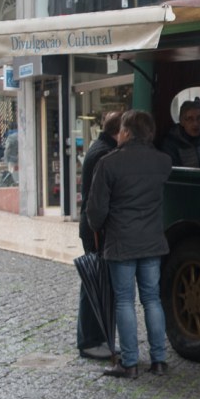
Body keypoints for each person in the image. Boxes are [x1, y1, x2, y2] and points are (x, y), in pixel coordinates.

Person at [87, 110, 173, 378]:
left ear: (125, 132)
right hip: (152, 241)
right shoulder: (163, 162)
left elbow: (96, 210)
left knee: (125, 301)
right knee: (152, 299)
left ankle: (130, 363)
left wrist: (96, 228)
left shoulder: (110, 163)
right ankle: (159, 360)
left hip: (121, 242)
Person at [76, 111, 122, 360]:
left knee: (98, 281)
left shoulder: (102, 149)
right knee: (94, 281)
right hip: (96, 228)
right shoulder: (103, 154)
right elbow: (98, 200)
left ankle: (97, 337)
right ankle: (90, 340)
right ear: (121, 131)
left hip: (96, 226)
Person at [161, 98, 200, 168]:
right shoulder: (171, 145)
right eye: (190, 119)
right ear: (182, 121)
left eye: (199, 118)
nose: (196, 124)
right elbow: (175, 172)